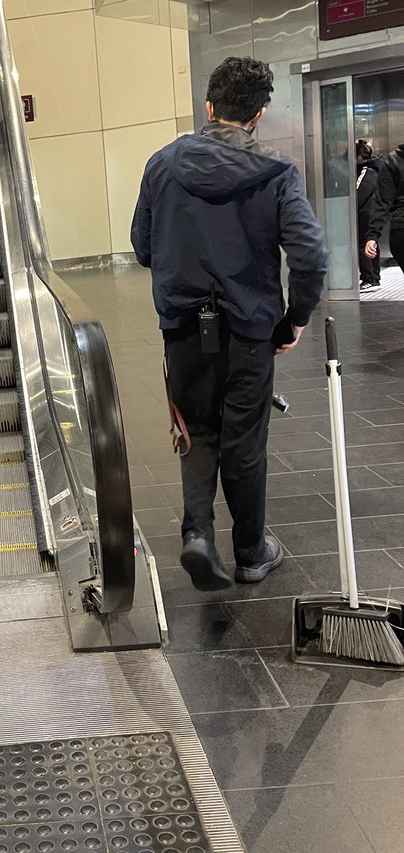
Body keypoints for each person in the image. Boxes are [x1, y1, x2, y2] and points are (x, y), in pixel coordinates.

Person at [131, 57, 327, 591]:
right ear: (259, 115)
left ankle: (197, 534)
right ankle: (250, 553)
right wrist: (293, 321)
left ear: (209, 107)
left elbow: (142, 247)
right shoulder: (278, 173)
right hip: (250, 330)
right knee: (245, 440)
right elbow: (310, 254)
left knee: (195, 431)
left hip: (183, 330)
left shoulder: (162, 165)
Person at [364, 142, 404, 277]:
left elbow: (382, 201)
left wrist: (373, 235)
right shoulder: (392, 161)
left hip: (400, 229)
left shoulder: (392, 161)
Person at [355, 139, 382, 290]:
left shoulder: (367, 171)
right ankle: (373, 277)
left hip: (366, 214)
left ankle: (369, 278)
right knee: (370, 244)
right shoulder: (374, 169)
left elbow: (359, 195)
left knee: (364, 244)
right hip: (370, 212)